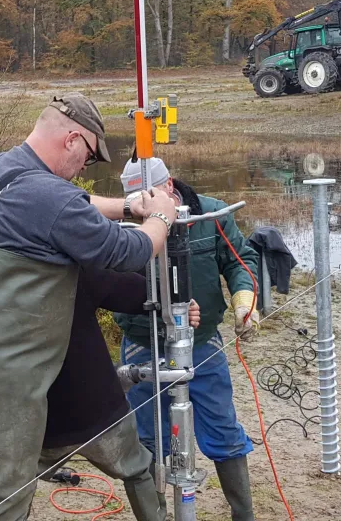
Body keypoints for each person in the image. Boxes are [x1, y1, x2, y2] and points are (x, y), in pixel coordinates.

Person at [0, 93, 178, 521]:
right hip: (3, 374)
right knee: (4, 493)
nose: (85, 168)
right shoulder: (49, 197)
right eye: (89, 157)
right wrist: (160, 217)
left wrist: (127, 205)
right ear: (72, 140)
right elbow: (128, 251)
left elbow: (68, 202)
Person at [116, 157, 260, 521]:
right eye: (134, 202)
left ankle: (244, 514)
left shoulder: (210, 215)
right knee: (146, 441)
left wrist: (244, 300)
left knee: (224, 432)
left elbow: (240, 260)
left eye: (147, 198)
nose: (142, 209)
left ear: (169, 186)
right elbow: (110, 285)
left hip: (202, 343)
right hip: (143, 345)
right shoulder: (122, 227)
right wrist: (164, 310)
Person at [40, 269, 201, 521]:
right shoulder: (74, 270)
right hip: (98, 412)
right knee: (137, 471)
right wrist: (175, 302)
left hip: (38, 417)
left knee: (7, 490)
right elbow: (137, 293)